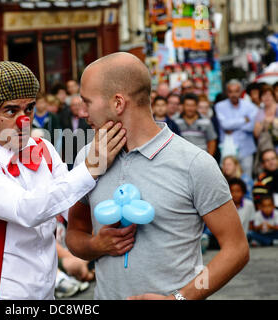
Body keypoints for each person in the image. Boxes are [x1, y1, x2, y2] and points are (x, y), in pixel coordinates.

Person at [65, 52, 249, 300]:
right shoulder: (88, 158)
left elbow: (236, 250)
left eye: (87, 102)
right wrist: (95, 246)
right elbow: (74, 233)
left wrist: (179, 299)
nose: (82, 113)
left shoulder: (194, 163)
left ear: (118, 103)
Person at [0, 60, 126, 300]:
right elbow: (27, 210)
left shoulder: (43, 148)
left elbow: (73, 207)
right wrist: (91, 166)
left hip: (41, 294)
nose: (24, 120)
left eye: (28, 109)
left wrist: (113, 224)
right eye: (11, 111)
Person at [215, 79, 258, 179]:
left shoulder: (250, 106)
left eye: (236, 91)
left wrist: (232, 125)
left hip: (246, 149)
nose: (233, 94)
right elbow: (225, 125)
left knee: (247, 178)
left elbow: (251, 126)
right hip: (228, 149)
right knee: (228, 179)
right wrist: (244, 119)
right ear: (226, 92)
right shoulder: (220, 106)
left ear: (241, 92)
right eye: (230, 91)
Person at [253, 85, 278, 154]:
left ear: (273, 96)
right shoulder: (259, 112)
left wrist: (273, 120)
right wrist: (264, 123)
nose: (267, 97)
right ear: (261, 98)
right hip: (266, 149)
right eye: (264, 95)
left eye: (269, 95)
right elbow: (256, 134)